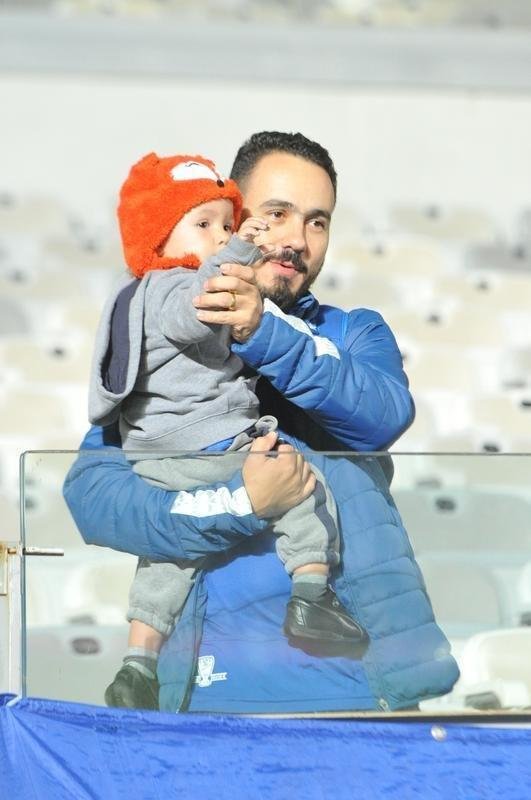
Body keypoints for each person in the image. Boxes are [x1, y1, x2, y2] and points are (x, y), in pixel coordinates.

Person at [64, 131, 460, 714]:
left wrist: (260, 331)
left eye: (318, 221)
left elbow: (381, 416)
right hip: (205, 695)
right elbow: (93, 497)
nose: (296, 240)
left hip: (356, 691)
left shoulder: (353, 332)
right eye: (275, 214)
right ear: (233, 218)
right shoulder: (167, 349)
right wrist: (242, 502)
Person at [89, 152, 367, 709]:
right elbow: (196, 307)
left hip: (160, 455)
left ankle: (137, 663)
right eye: (205, 226)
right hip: (208, 441)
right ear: (157, 239)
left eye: (225, 223)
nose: (221, 237)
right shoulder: (172, 287)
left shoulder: (130, 296)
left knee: (166, 561)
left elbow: (379, 411)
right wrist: (241, 250)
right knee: (300, 484)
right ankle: (312, 593)